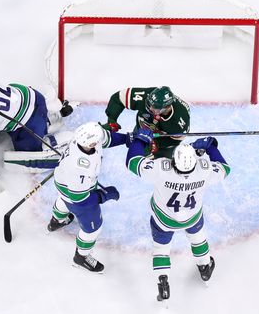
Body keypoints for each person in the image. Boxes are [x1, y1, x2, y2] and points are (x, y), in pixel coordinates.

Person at [126, 129, 230, 302]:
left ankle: (163, 282)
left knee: (161, 249)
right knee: (198, 239)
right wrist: (211, 146)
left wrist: (140, 140)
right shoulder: (204, 170)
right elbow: (225, 168)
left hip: (164, 219)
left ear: (174, 161)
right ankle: (205, 268)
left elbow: (132, 162)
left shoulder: (161, 169)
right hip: (192, 217)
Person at [46, 122, 128, 273]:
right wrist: (105, 195)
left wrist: (127, 139)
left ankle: (56, 221)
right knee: (93, 228)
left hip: (62, 181)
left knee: (63, 199)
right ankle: (81, 257)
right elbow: (80, 200)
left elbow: (106, 139)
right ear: (91, 143)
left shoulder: (82, 139)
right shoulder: (80, 167)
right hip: (76, 194)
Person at [103, 86, 190, 159]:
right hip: (143, 127)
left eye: (155, 107)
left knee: (165, 163)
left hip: (163, 142)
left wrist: (158, 144)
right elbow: (118, 98)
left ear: (166, 108)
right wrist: (112, 119)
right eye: (149, 104)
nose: (150, 108)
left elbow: (175, 140)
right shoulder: (145, 95)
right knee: (137, 148)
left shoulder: (180, 120)